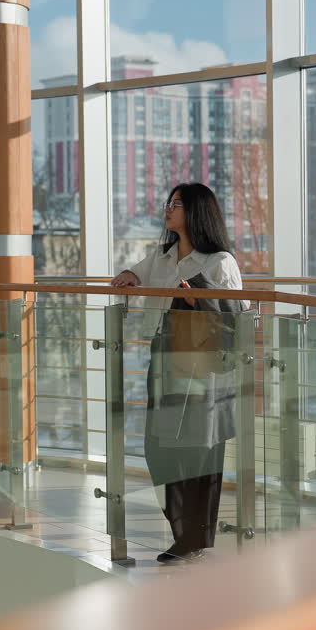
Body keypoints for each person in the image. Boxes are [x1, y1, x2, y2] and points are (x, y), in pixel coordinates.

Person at [111, 183, 246, 564]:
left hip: (204, 370)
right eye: (168, 202)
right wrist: (128, 276)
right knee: (159, 450)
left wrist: (198, 299)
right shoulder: (162, 257)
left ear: (197, 212)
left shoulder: (220, 261)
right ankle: (182, 532)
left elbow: (238, 320)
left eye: (177, 204)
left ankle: (192, 541)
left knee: (200, 455)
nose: (168, 209)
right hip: (164, 361)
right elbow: (134, 273)